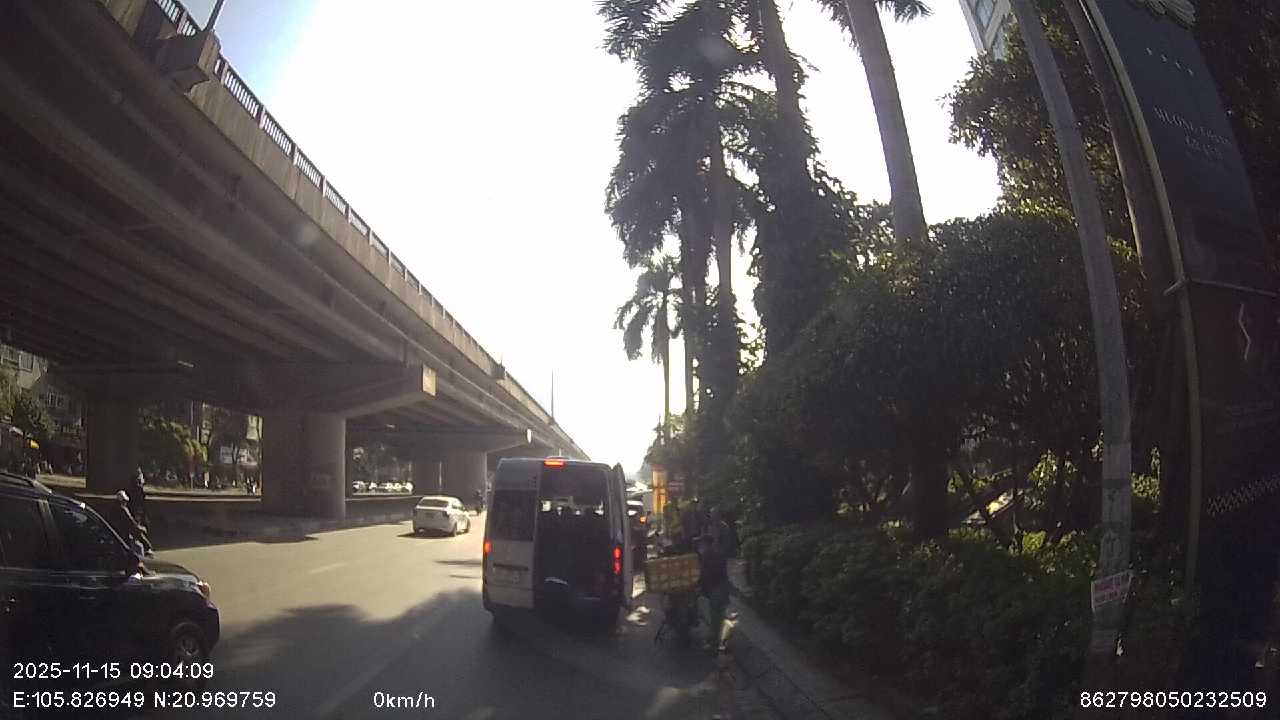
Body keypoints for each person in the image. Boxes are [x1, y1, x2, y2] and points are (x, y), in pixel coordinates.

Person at [695, 533, 730, 654]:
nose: (700, 546)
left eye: (701, 543)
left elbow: (706, 574)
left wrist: (699, 586)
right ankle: (719, 641)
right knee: (719, 616)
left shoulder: (708, 556)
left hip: (717, 588)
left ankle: (715, 645)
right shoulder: (716, 553)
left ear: (706, 544)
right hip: (721, 587)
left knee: (716, 618)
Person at [106, 490, 153, 557]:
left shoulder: (112, 510)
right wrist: (141, 529)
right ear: (123, 501)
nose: (126, 503)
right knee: (139, 547)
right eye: (125, 501)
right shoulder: (123, 510)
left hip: (114, 536)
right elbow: (131, 523)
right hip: (123, 537)